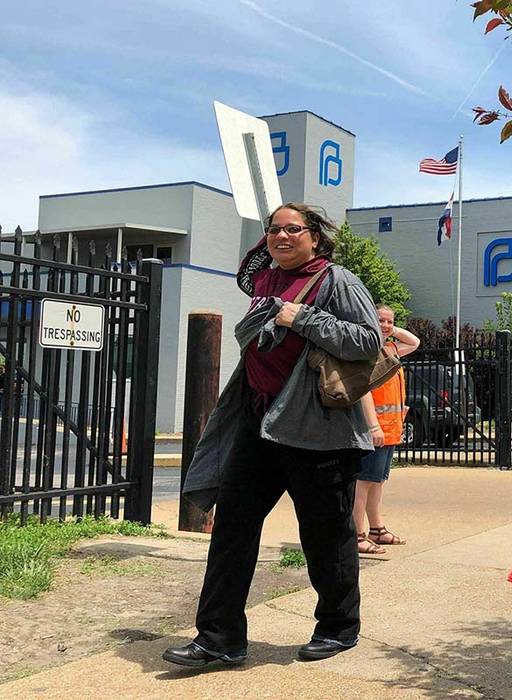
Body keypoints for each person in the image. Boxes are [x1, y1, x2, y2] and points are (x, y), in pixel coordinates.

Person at [163, 203, 382, 668]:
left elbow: (367, 343)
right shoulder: (265, 283)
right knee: (233, 529)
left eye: (293, 229)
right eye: (274, 230)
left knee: (325, 535)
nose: (282, 236)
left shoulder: (335, 280)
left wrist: (299, 317)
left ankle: (338, 627)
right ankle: (219, 637)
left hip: (318, 432)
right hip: (259, 423)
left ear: (315, 238)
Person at [354, 304, 419, 555]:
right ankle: (357, 534)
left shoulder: (390, 349)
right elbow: (364, 391)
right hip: (375, 429)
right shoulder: (367, 352)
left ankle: (377, 530)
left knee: (377, 481)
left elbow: (414, 341)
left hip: (391, 429)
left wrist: (389, 331)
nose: (385, 325)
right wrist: (372, 426)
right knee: (363, 482)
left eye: (389, 321)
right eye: (380, 320)